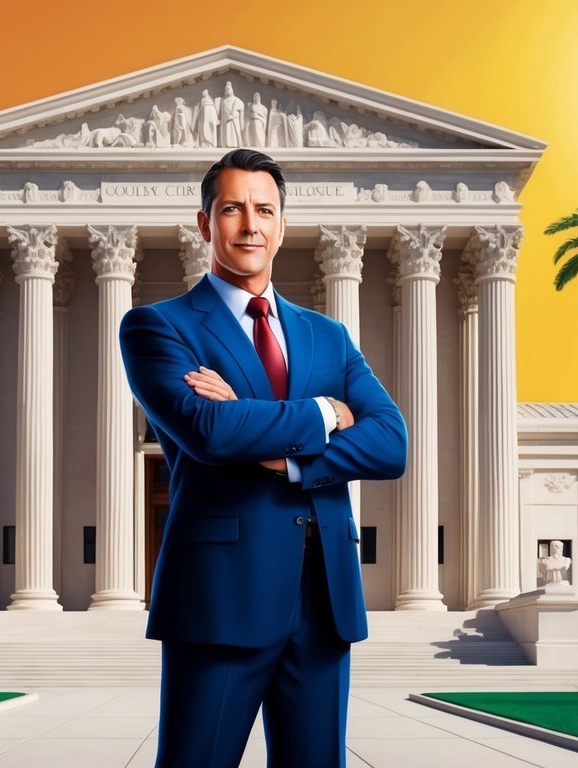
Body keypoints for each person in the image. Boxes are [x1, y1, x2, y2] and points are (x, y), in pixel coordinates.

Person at [119, 148, 407, 767]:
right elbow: (209, 432)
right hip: (221, 598)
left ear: (281, 224)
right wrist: (328, 412)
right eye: (232, 209)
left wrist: (291, 459)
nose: (249, 224)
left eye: (264, 210)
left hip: (324, 600)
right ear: (205, 224)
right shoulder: (156, 327)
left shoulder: (326, 334)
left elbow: (391, 442)